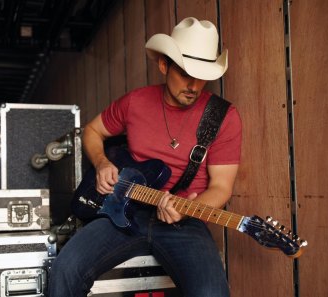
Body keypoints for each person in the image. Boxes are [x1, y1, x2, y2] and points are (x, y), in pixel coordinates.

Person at [48, 17, 242, 297]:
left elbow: (222, 187)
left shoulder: (223, 117)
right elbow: (91, 130)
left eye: (203, 75)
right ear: (164, 65)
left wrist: (183, 208)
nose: (194, 85)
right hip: (123, 210)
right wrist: (102, 163)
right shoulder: (135, 102)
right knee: (65, 268)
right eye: (185, 73)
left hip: (183, 222)